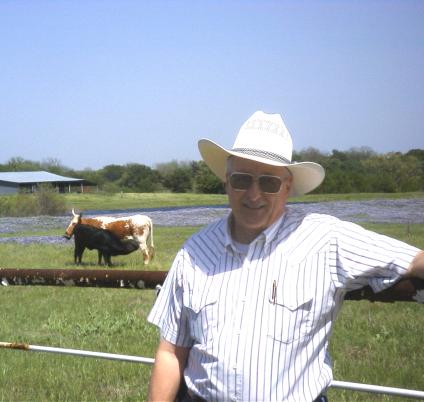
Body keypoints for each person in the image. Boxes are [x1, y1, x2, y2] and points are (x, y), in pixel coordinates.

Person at [147, 110, 424, 402]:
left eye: (269, 182)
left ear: (287, 187)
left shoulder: (326, 240)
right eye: (242, 180)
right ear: (226, 182)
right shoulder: (194, 251)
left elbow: (414, 259)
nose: (254, 194)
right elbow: (170, 352)